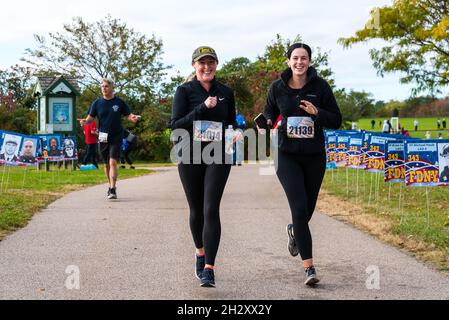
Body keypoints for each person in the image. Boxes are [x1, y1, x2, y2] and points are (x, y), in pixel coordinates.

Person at [261, 43, 342, 286]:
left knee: (308, 208)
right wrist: (263, 123)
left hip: (314, 155)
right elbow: (267, 114)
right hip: (286, 155)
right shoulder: (277, 87)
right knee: (298, 209)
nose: (299, 62)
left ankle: (295, 230)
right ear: (288, 61)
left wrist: (317, 112)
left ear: (309, 61)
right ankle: (309, 268)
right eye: (295, 58)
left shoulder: (320, 86)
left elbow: (336, 120)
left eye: (304, 58)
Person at [170, 46, 239, 288]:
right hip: (189, 153)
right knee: (196, 209)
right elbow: (175, 124)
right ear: (194, 66)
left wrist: (235, 132)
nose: (207, 67)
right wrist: (202, 108)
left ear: (217, 65)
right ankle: (200, 252)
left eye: (211, 62)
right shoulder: (184, 91)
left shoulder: (226, 92)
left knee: (211, 208)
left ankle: (209, 268)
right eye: (202, 63)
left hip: (219, 153)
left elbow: (231, 121)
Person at [79, 78, 141, 200]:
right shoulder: (97, 103)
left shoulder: (119, 102)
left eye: (106, 86)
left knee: (113, 162)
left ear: (112, 87)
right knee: (106, 165)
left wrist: (132, 117)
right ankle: (109, 185)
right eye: (102, 86)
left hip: (116, 136)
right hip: (102, 137)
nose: (104, 88)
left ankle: (113, 189)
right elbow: (90, 119)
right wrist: (85, 122)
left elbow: (128, 115)